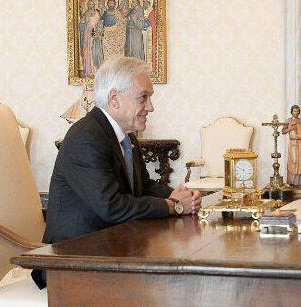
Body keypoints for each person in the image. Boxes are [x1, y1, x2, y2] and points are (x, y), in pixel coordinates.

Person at [32, 57, 201, 289]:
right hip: (71, 261)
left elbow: (143, 186)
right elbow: (112, 206)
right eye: (144, 97)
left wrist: (180, 195)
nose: (151, 107)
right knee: (169, 287)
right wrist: (173, 206)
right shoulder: (86, 137)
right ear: (114, 99)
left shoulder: (126, 136)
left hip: (110, 249)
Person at [282, 105, 301, 186]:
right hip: (293, 143)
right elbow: (283, 131)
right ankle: (292, 182)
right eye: (294, 111)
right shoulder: (288, 121)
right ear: (291, 112)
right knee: (293, 161)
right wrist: (290, 129)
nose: (296, 113)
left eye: (297, 111)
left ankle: (300, 182)